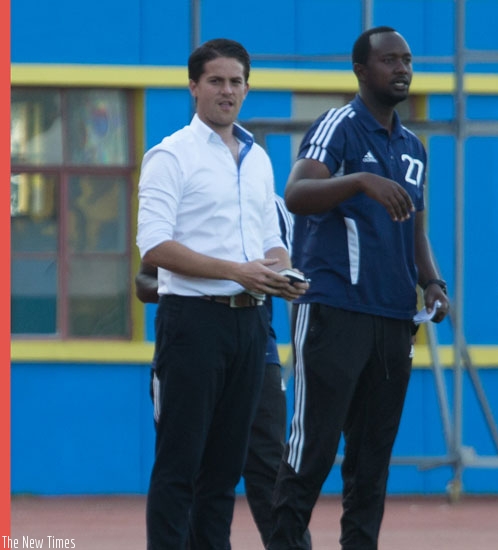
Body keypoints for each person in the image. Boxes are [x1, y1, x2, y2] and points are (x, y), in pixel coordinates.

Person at [266, 26, 449, 550]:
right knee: (313, 452)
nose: (402, 69)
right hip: (333, 310)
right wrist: (359, 181)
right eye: (389, 60)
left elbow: (414, 226)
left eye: (408, 60)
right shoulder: (338, 127)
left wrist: (431, 281)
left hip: (394, 319)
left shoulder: (413, 146)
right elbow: (297, 192)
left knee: (371, 464)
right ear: (361, 70)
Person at [136, 38, 308, 549]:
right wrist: (238, 271)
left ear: (248, 87)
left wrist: (283, 273)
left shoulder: (258, 160)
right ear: (193, 87)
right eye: (215, 81)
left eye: (236, 81)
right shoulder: (171, 155)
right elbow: (154, 245)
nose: (227, 91)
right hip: (193, 323)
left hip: (251, 327)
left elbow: (271, 244)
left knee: (223, 476)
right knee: (179, 468)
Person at [135, 196, 310, 548]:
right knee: (187, 464)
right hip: (192, 344)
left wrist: (285, 281)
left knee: (268, 467)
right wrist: (199, 287)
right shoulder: (189, 198)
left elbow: (288, 272)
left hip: (256, 350)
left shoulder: (269, 203)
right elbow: (144, 281)